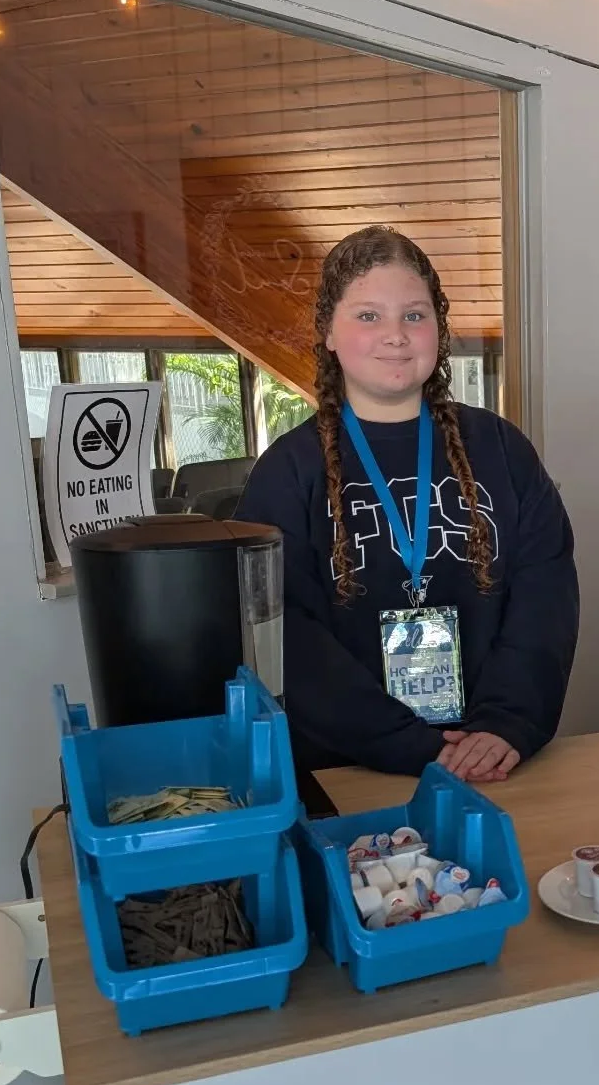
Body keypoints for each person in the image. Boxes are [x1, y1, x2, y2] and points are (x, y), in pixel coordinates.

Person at [238, 226, 579, 784]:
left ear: (439, 330)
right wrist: (404, 742)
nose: (395, 335)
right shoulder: (286, 473)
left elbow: (546, 596)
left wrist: (507, 723)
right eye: (368, 315)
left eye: (415, 315)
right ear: (328, 330)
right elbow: (283, 635)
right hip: (347, 770)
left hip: (494, 763)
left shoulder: (501, 449)